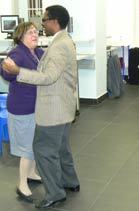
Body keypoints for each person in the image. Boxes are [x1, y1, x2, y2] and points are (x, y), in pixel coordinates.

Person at [2, 5, 80, 209]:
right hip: (58, 106)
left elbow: (48, 77)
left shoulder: (56, 45)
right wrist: (11, 70)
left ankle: (55, 193)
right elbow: (7, 73)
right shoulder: (63, 41)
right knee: (61, 149)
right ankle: (70, 181)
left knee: (44, 151)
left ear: (54, 21)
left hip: (54, 108)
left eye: (43, 21)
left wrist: (18, 71)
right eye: (31, 31)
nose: (41, 25)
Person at [0, 22, 43, 203]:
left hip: (36, 107)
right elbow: (7, 74)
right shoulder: (18, 53)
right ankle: (22, 184)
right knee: (26, 148)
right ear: (20, 36)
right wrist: (6, 67)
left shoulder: (38, 52)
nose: (34, 34)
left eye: (35, 31)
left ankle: (32, 173)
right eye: (30, 32)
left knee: (33, 144)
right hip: (21, 108)